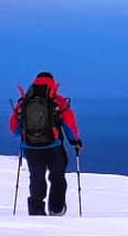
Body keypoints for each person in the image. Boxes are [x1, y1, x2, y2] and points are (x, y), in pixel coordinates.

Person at [9, 71, 83, 216]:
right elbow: (69, 123)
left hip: (30, 147)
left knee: (36, 178)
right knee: (57, 176)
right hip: (53, 146)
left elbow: (14, 129)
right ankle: (56, 208)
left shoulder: (25, 101)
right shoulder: (56, 100)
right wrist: (75, 141)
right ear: (52, 82)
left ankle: (36, 210)